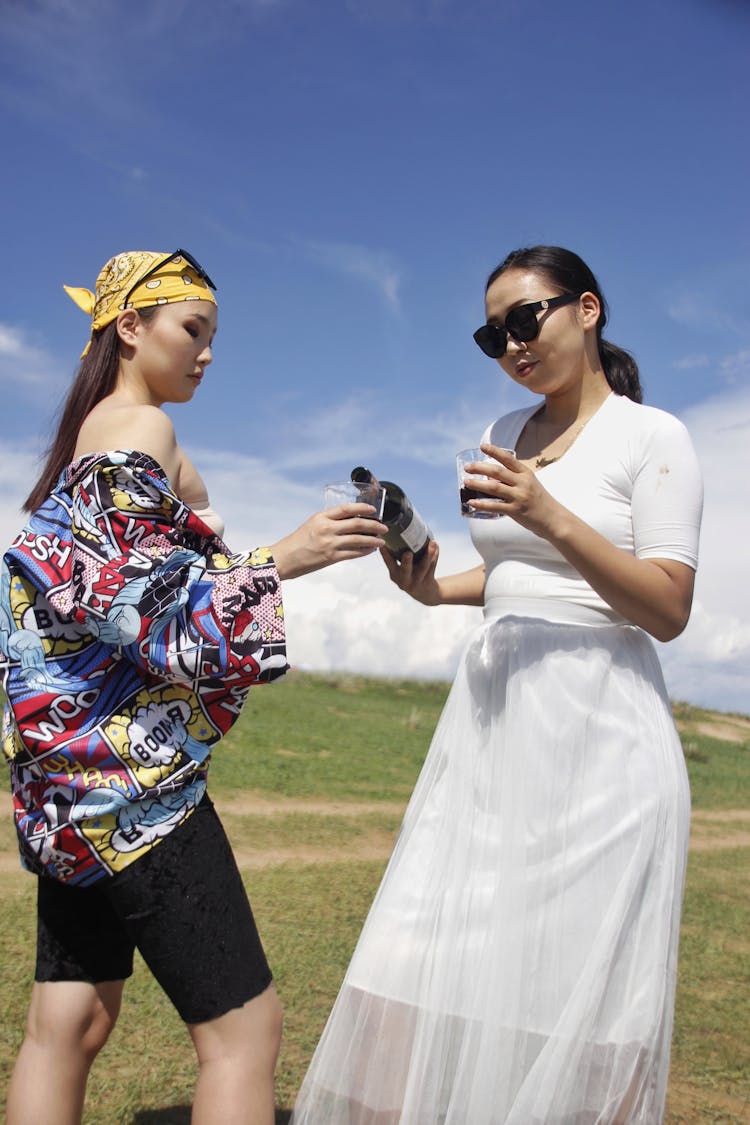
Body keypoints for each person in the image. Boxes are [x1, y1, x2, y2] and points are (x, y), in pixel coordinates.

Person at [290, 246, 703, 1124]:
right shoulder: (502, 436)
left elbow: (666, 607)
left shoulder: (654, 436)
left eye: (528, 317)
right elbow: (516, 576)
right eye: (493, 332)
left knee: (582, 1005)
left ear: (587, 309)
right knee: (412, 959)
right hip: (489, 735)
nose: (512, 342)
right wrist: (431, 584)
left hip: (603, 749)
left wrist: (549, 511)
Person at [0, 249, 387, 1125]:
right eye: (192, 330)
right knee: (244, 1033)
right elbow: (148, 615)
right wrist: (287, 556)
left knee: (69, 1019)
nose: (207, 353)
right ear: (129, 327)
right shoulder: (140, 433)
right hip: (132, 788)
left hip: (65, 787)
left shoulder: (86, 441)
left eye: (213, 337)